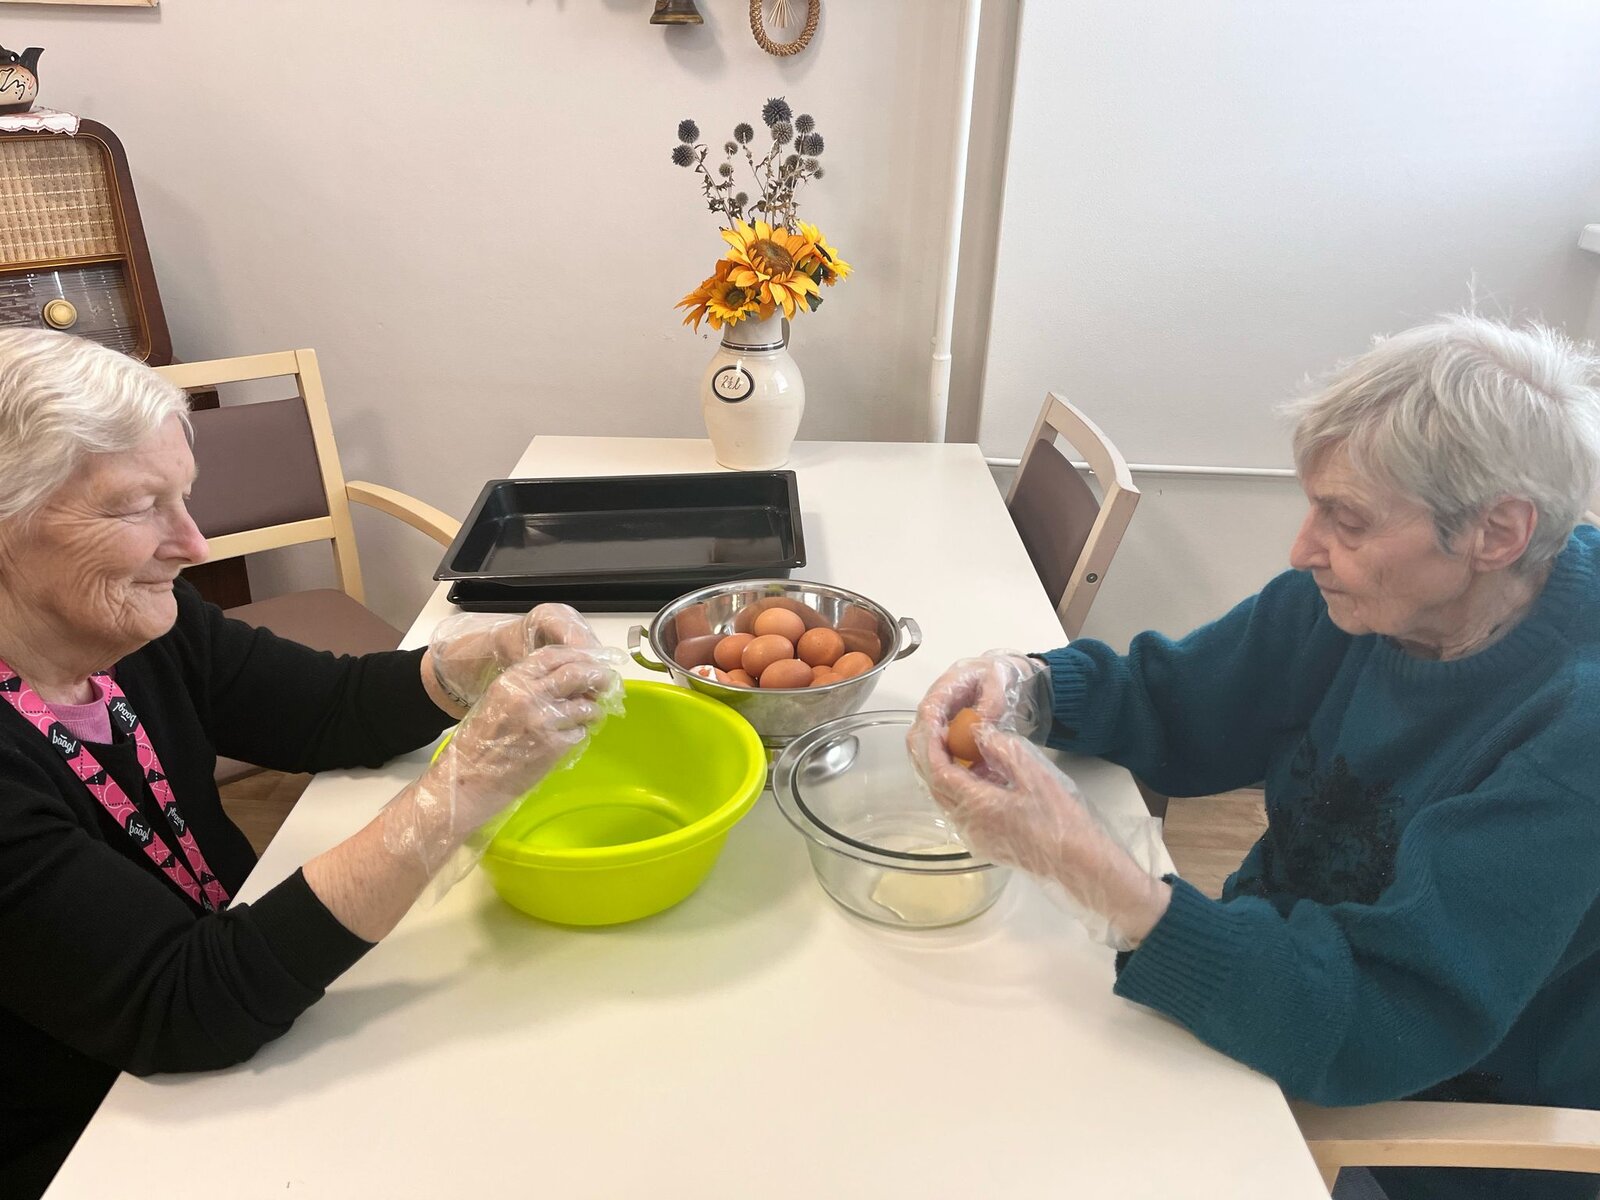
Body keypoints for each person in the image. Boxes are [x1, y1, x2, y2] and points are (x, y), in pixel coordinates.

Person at [909, 316, 1600, 1200]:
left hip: (1416, 1125)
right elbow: (1182, 703)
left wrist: (1098, 874)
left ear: (1497, 533)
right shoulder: (1369, 602)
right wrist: (1030, 685)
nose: (1303, 550)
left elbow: (1379, 1018)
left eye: (1347, 520)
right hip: (1266, 992)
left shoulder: (1573, 737)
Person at [0, 328, 623, 1198]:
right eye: (138, 507)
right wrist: (463, 786)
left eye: (184, 496)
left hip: (244, 1012)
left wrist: (485, 654)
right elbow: (183, 1006)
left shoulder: (128, 624)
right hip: (95, 1130)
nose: (194, 544)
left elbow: (325, 710)